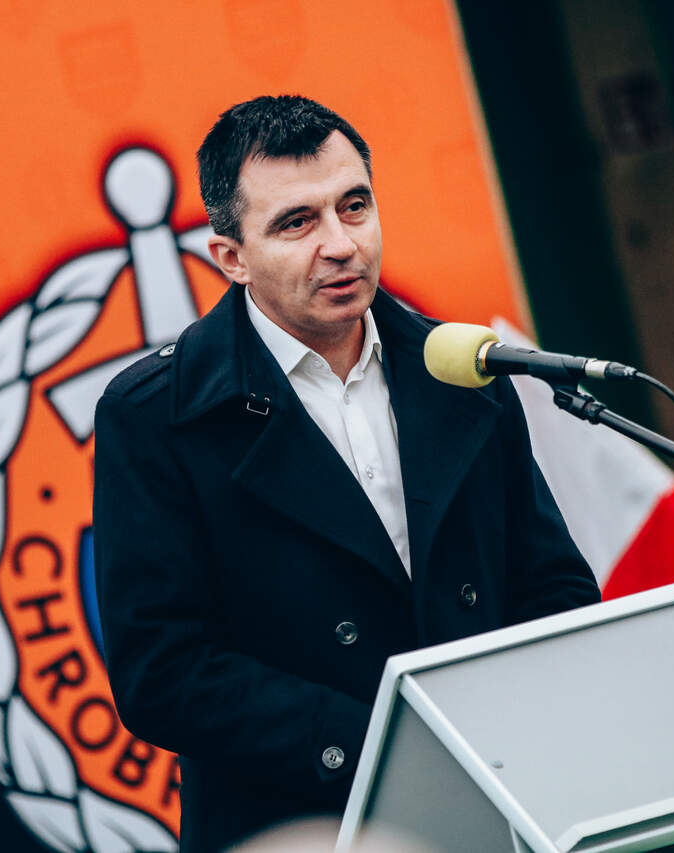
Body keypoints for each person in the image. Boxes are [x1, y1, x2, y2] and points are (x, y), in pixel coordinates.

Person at [92, 95, 600, 852]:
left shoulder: (461, 368)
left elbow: (553, 584)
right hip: (303, 823)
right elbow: (163, 673)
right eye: (297, 222)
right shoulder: (155, 415)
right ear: (231, 257)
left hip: (502, 802)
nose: (341, 244)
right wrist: (388, 747)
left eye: (354, 206)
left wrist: (508, 734)